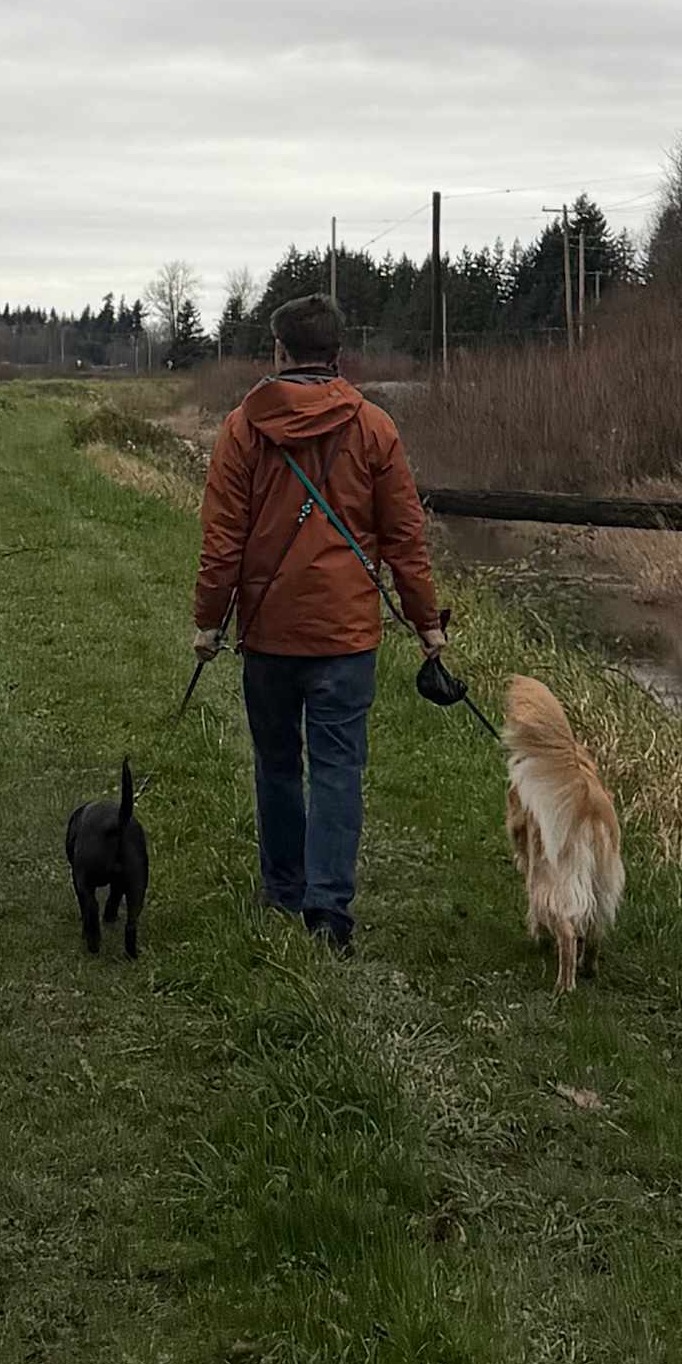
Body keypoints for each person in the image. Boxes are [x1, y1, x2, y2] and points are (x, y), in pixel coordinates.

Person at [193, 293, 449, 952]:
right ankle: (329, 912)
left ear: (280, 351)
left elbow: (222, 540)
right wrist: (426, 623)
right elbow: (405, 539)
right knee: (338, 768)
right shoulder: (374, 428)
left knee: (278, 764)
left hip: (270, 632)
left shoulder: (243, 429)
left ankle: (284, 890)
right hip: (345, 635)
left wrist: (209, 622)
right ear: (337, 354)